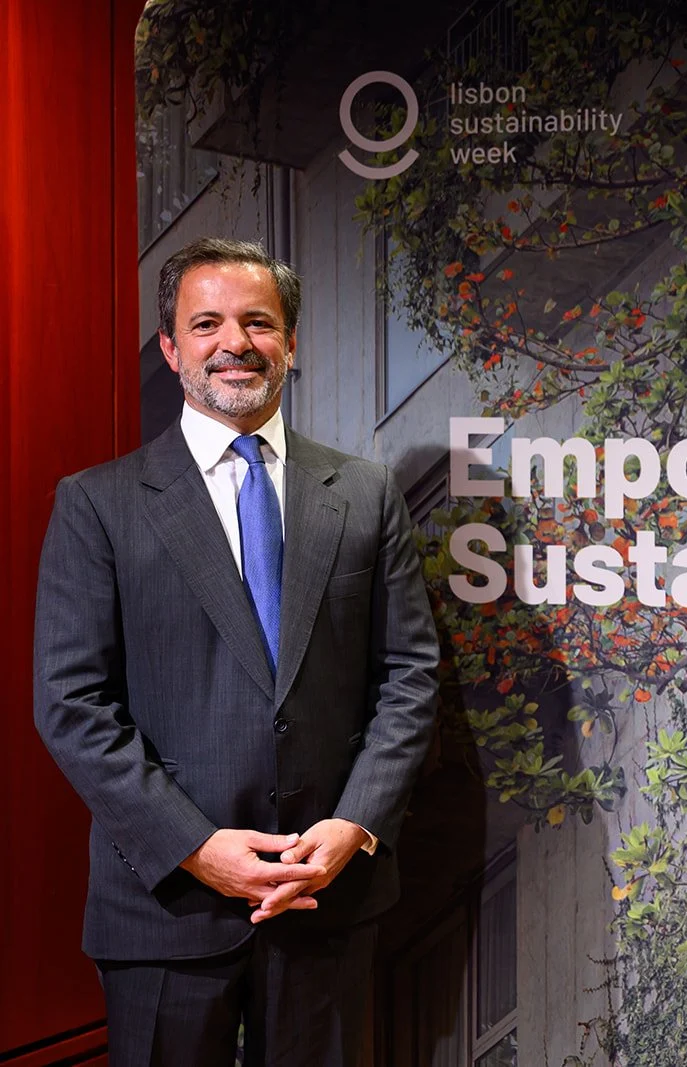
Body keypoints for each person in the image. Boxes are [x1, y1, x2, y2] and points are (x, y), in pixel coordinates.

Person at [33, 236, 440, 1066]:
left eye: (258, 321)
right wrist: (193, 845)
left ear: (290, 341)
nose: (235, 342)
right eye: (207, 322)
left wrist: (354, 826)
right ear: (172, 347)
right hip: (166, 904)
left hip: (326, 897)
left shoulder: (363, 493)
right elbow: (72, 704)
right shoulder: (98, 505)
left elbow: (409, 678)